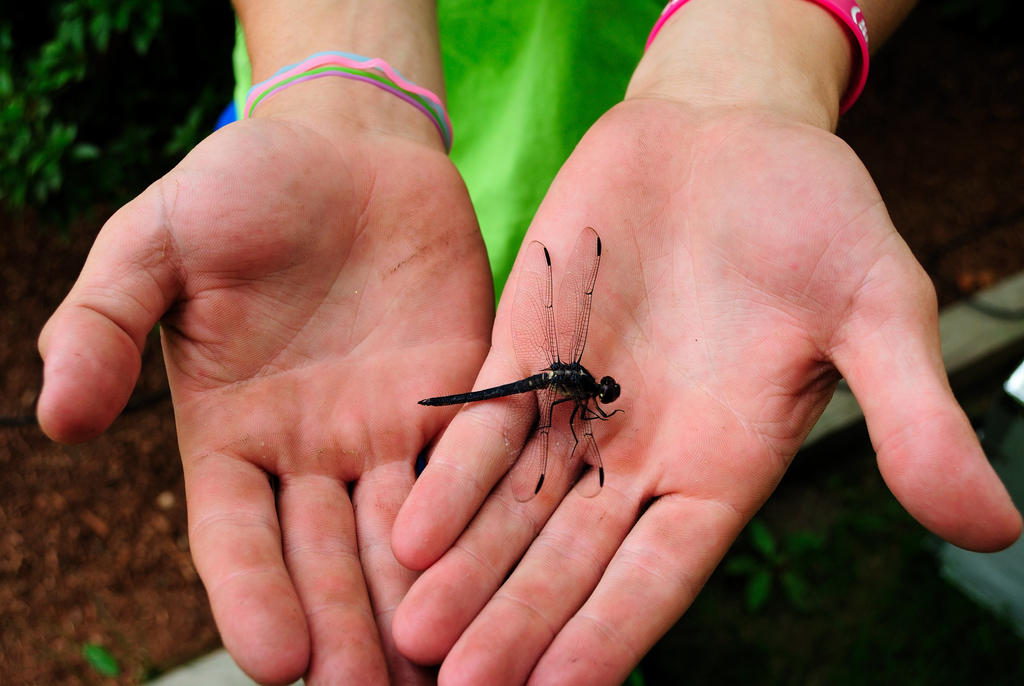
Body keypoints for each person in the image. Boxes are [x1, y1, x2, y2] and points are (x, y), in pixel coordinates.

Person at [37, 0, 1021, 684]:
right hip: (378, 219)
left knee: (505, 593)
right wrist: (335, 87)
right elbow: (578, 415)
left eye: (595, 396)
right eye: (597, 395)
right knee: (412, 571)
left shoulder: (576, 372)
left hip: (619, 169)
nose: (597, 400)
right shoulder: (574, 386)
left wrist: (756, 60)